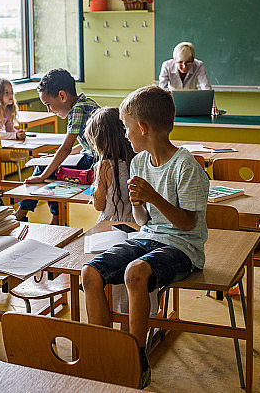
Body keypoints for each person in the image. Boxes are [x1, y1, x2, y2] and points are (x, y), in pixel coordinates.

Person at [82, 85, 209, 389]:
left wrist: (152, 196)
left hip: (183, 247)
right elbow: (143, 222)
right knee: (90, 273)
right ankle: (104, 351)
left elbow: (187, 225)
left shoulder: (186, 166)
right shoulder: (139, 163)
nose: (125, 134)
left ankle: (135, 356)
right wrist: (140, 205)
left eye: (127, 127)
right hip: (149, 237)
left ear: (142, 127)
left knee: (135, 272)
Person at [13, 69, 100, 224]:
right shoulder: (87, 103)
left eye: (48, 104)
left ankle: (22, 213)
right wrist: (53, 158)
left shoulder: (77, 110)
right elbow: (87, 144)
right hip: (93, 158)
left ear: (62, 95)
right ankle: (55, 216)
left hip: (95, 164)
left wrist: (42, 176)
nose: (49, 110)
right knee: (49, 164)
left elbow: (65, 149)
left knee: (45, 170)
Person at [158, 41, 219, 115]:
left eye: (188, 62)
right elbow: (162, 89)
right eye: (180, 62)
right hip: (172, 103)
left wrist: (212, 107)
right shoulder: (167, 65)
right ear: (174, 59)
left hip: (192, 103)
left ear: (193, 59)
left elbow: (205, 86)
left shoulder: (199, 65)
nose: (184, 66)